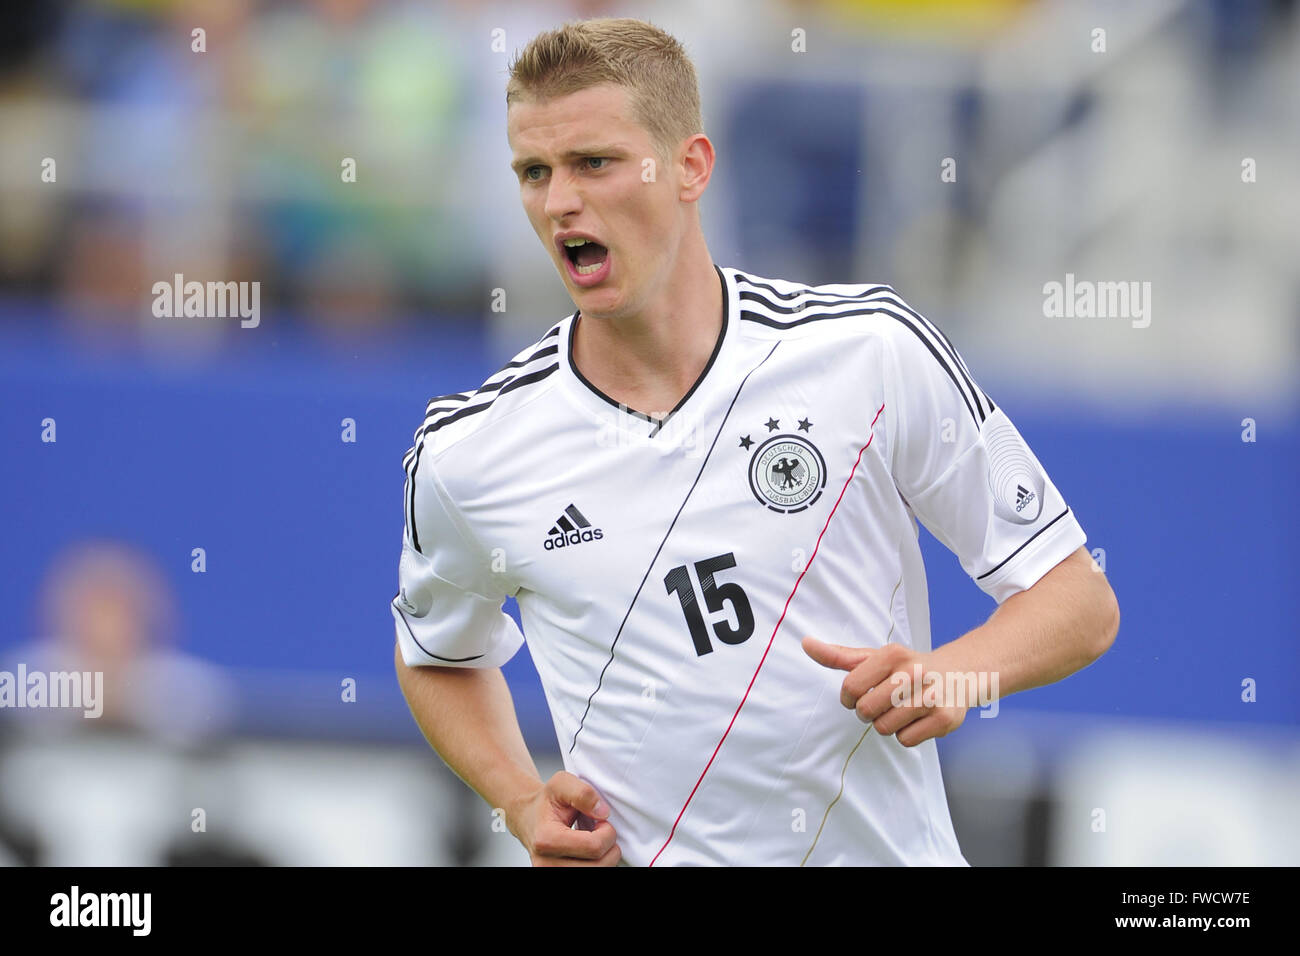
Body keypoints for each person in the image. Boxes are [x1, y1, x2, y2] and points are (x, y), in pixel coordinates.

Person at [392, 17, 1119, 867]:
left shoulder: (869, 352)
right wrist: (519, 800)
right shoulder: (469, 450)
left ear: (692, 166)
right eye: (533, 172)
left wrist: (954, 675)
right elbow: (438, 655)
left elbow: (1077, 600)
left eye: (595, 163)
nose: (559, 203)